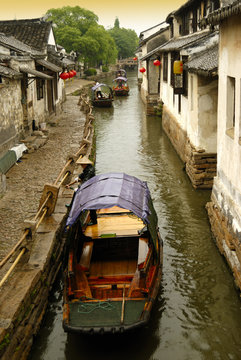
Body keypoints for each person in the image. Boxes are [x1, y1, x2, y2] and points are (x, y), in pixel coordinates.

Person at [65, 156, 97, 224]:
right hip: (88, 186)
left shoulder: (90, 170)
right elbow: (83, 174)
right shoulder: (87, 168)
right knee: (76, 193)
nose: (81, 166)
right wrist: (78, 177)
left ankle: (94, 221)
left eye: (82, 165)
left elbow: (86, 179)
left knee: (91, 204)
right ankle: (71, 205)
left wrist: (79, 187)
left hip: (91, 188)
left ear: (85, 164)